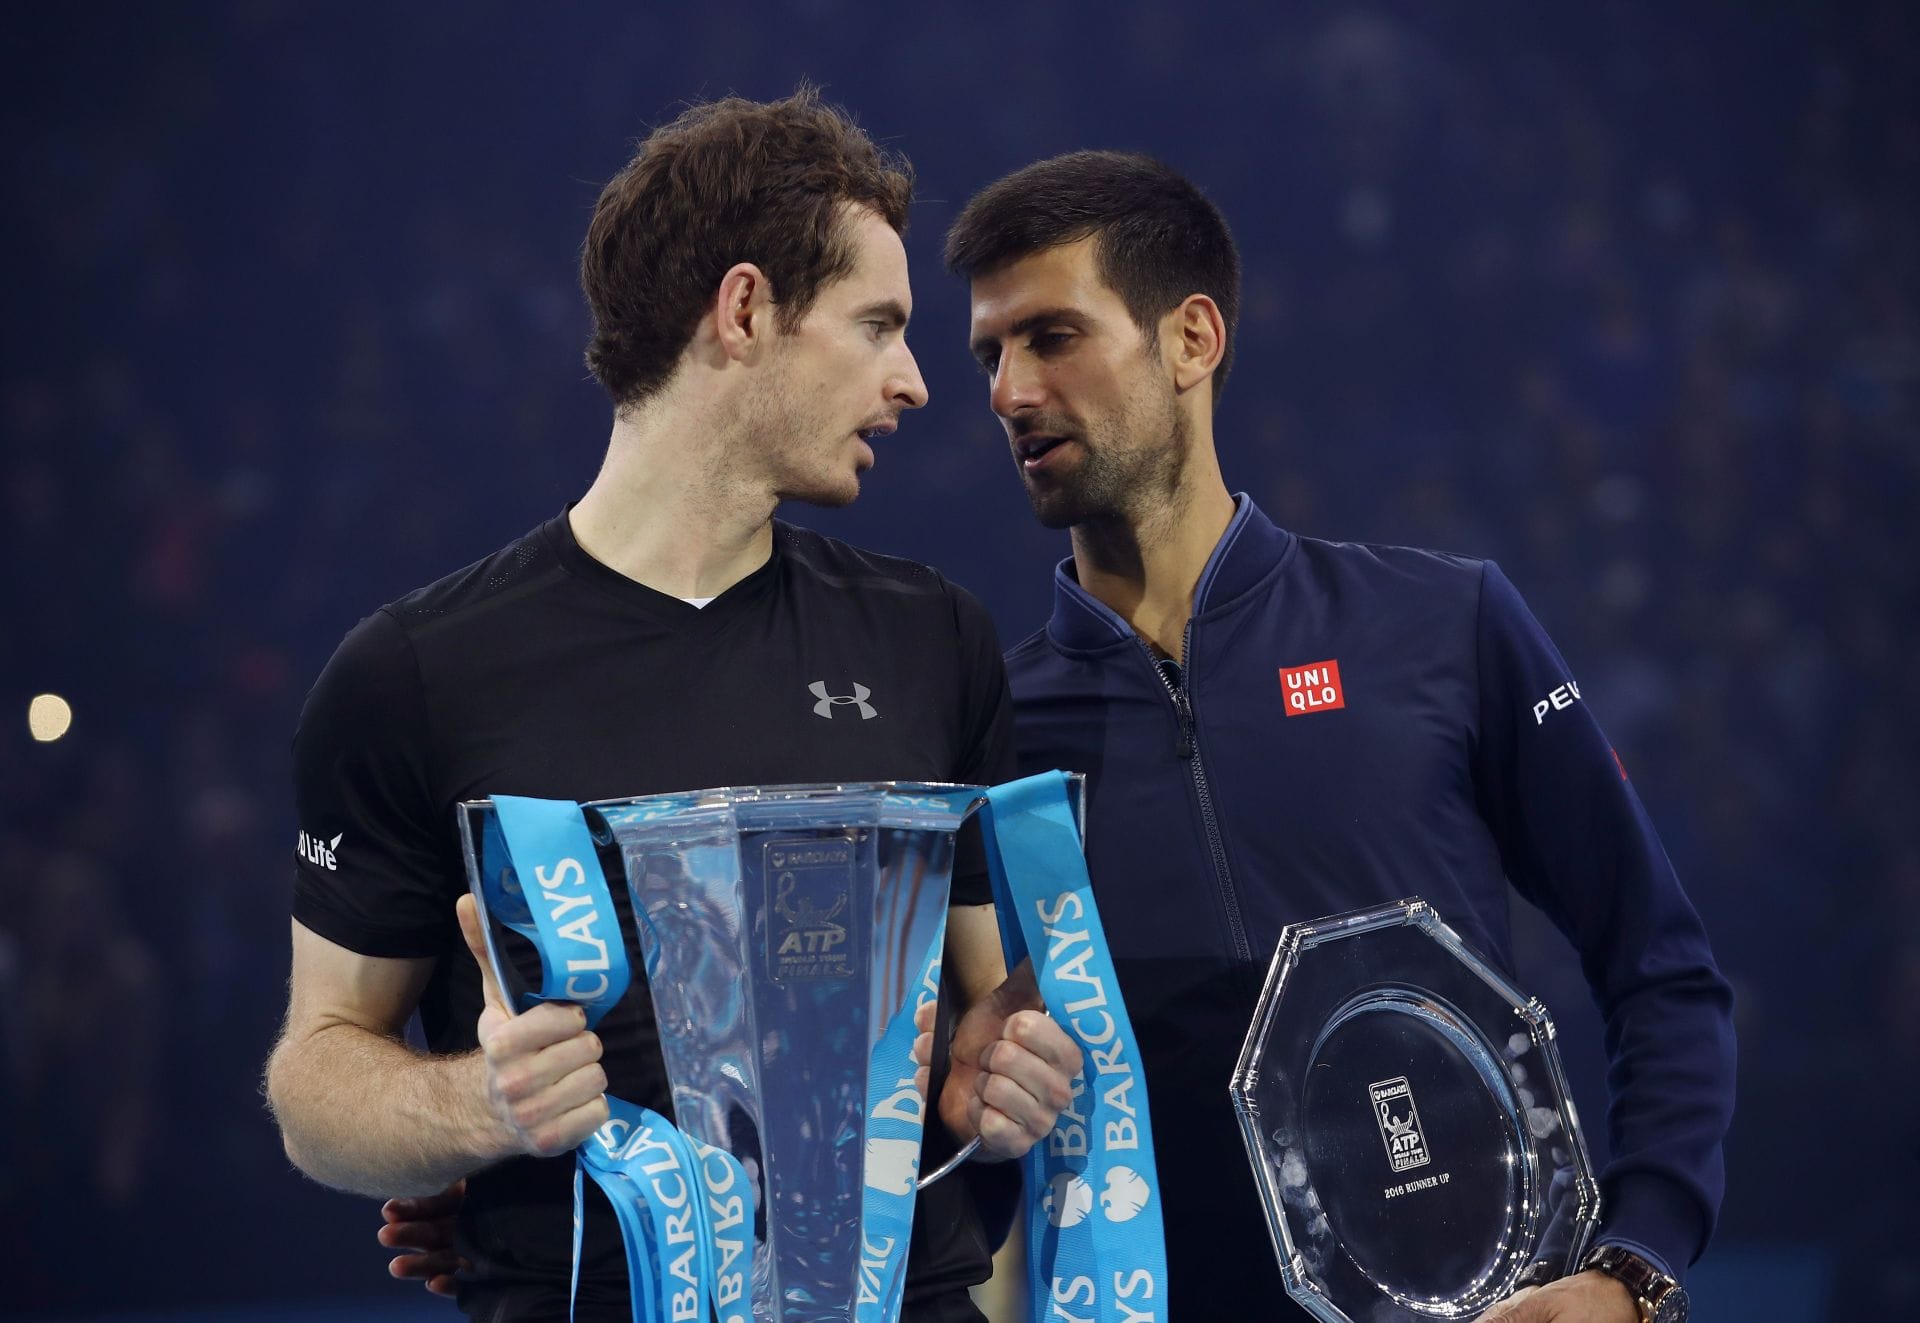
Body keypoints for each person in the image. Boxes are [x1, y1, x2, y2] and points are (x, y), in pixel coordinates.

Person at [263, 89, 1080, 1323]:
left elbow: (988, 1027)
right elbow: (316, 1085)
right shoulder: (416, 672)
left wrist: (996, 1090)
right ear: (746, 310)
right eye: (878, 326)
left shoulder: (930, 640)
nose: (915, 382)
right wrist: (477, 1107)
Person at [944, 151, 1736, 1322]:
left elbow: (1661, 970)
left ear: (1191, 340)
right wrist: (969, 1120)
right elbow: (967, 1137)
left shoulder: (1443, 624)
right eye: (991, 354)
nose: (1011, 390)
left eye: (1053, 336)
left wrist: (1637, 1267)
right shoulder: (988, 732)